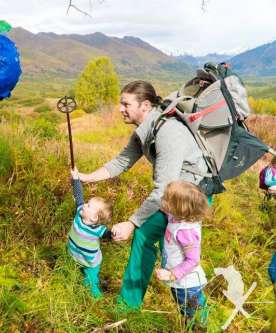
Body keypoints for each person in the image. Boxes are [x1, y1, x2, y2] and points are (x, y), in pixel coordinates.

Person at [78, 80, 209, 309]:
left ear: (145, 105)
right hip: (172, 195)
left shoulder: (168, 131)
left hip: (190, 197)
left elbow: (162, 189)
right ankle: (131, 305)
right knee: (153, 241)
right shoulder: (146, 130)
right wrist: (86, 177)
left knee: (176, 252)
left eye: (125, 104)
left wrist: (131, 222)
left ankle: (197, 317)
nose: (120, 109)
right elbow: (121, 162)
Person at [155, 180, 209, 327]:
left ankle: (201, 328)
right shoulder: (177, 217)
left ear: (179, 207)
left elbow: (193, 260)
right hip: (181, 282)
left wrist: (173, 273)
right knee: (189, 310)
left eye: (166, 198)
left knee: (193, 313)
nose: (162, 200)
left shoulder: (185, 231)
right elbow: (169, 215)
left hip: (187, 284)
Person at [68, 167, 112, 298]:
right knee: (76, 273)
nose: (84, 205)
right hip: (76, 257)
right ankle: (98, 281)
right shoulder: (80, 212)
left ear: (94, 218)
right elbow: (78, 196)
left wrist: (114, 233)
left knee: (88, 283)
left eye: (88, 205)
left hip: (90, 263)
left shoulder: (98, 230)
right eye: (87, 203)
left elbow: (109, 235)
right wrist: (76, 179)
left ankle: (98, 301)